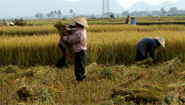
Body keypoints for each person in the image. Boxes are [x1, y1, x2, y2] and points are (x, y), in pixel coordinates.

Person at [59, 15, 88, 84]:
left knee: (78, 69)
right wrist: (65, 29)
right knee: (81, 68)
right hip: (82, 52)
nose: (74, 23)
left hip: (80, 53)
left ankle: (80, 84)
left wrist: (62, 36)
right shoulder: (81, 30)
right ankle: (82, 82)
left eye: (75, 22)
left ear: (77, 23)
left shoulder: (79, 33)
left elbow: (70, 40)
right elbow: (72, 30)